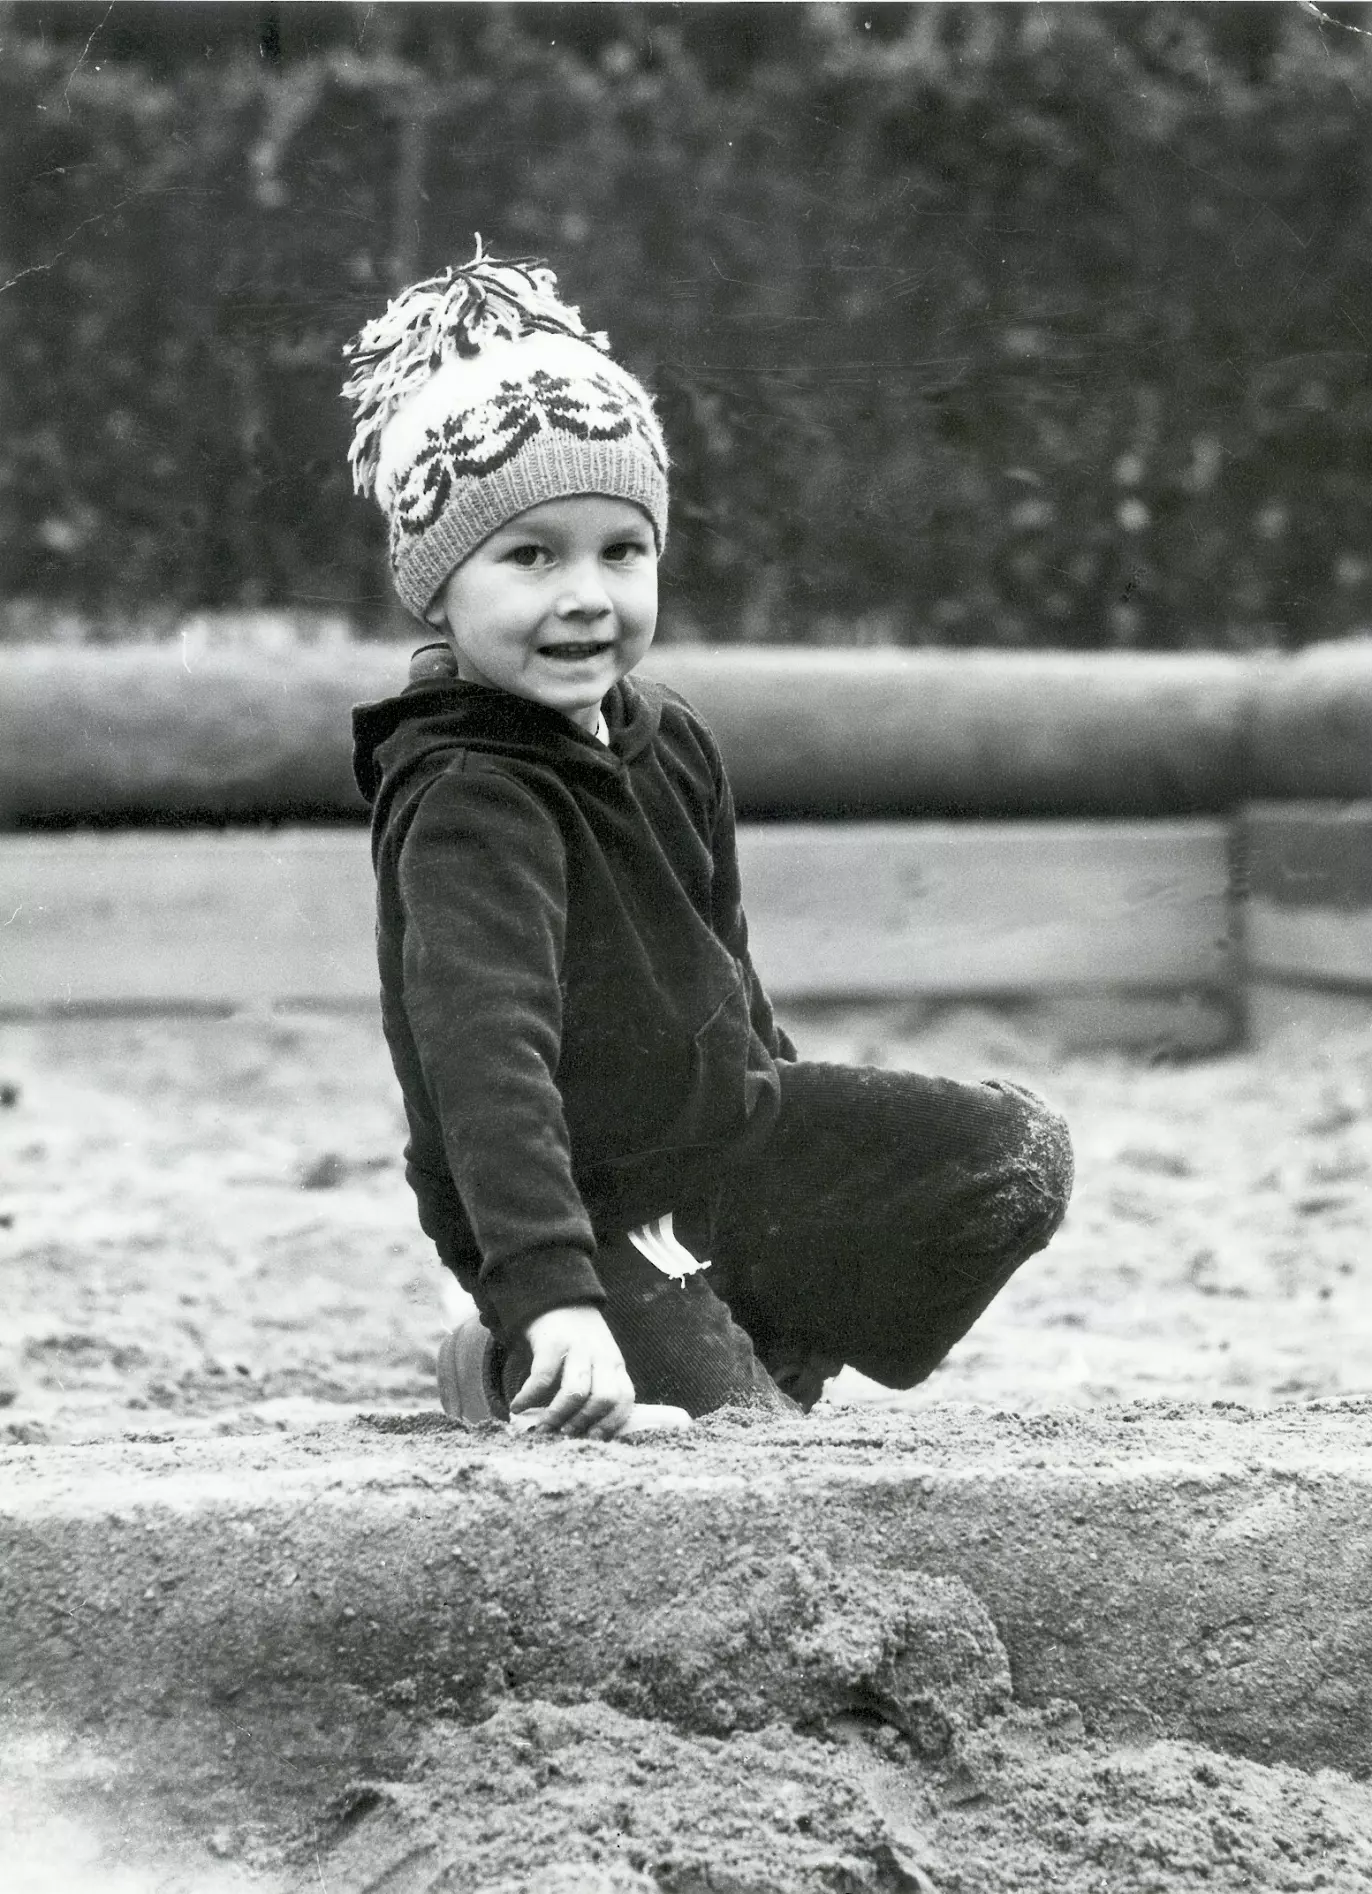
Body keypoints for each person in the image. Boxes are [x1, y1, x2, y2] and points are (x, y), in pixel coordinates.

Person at [345, 241, 1073, 1441]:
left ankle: (765, 1338)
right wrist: (551, 1288)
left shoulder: (670, 735)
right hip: (571, 1205)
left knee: (1011, 1156)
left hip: (715, 1146)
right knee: (722, 1449)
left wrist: (796, 1153)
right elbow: (486, 1063)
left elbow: (723, 961)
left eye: (619, 551)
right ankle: (523, 1343)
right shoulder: (470, 797)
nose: (585, 594)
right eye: (530, 556)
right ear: (440, 586)